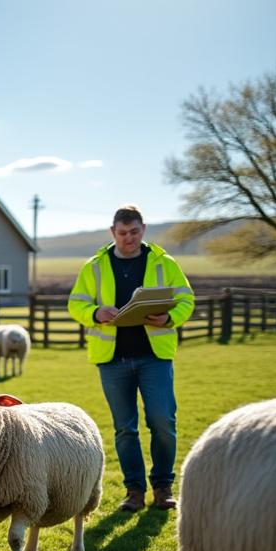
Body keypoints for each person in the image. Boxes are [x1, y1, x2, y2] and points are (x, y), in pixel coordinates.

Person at [67, 205, 194, 512]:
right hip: (112, 360)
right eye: (122, 233)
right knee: (125, 428)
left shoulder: (164, 263)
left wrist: (169, 318)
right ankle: (133, 491)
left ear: (143, 229)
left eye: (134, 232)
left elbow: (186, 299)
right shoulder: (94, 266)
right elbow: (76, 304)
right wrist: (96, 313)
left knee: (163, 421)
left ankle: (163, 488)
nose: (128, 238)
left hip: (155, 357)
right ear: (113, 232)